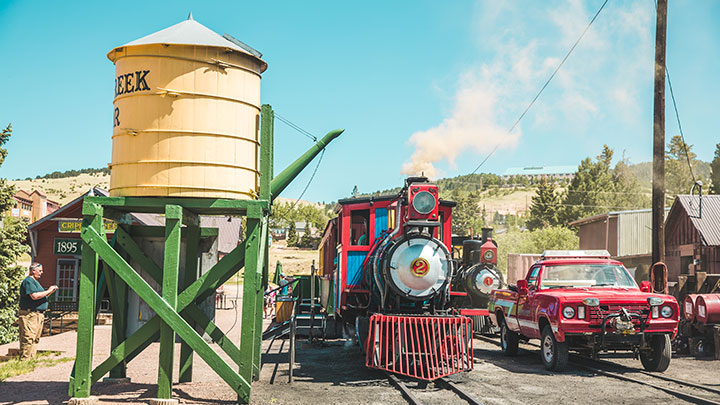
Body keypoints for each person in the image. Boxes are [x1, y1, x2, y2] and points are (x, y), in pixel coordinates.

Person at [18, 263, 58, 360]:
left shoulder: (35, 282)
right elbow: (34, 296)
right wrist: (48, 290)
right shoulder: (28, 281)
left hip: (38, 315)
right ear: (33, 270)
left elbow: (41, 297)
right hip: (30, 314)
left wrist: (50, 292)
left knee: (35, 338)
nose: (42, 272)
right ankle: (24, 361)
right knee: (28, 338)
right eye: (40, 270)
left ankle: (31, 360)